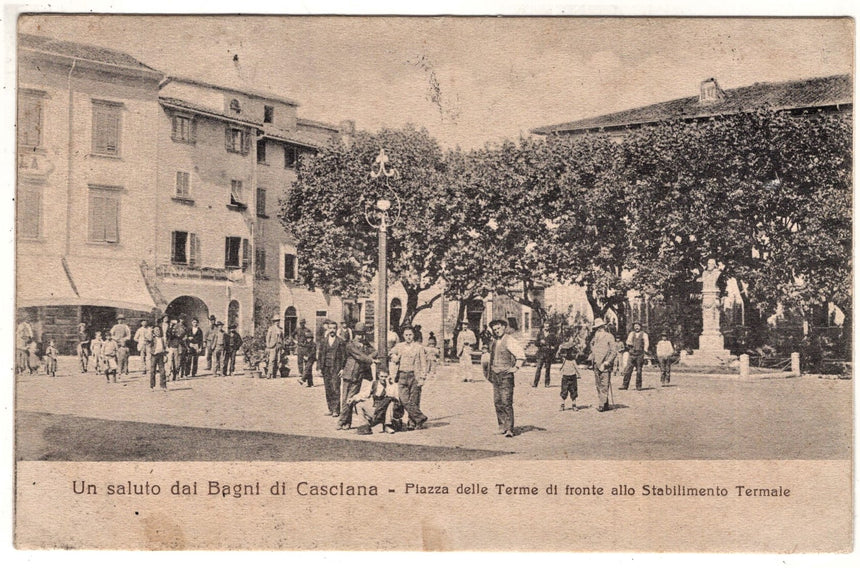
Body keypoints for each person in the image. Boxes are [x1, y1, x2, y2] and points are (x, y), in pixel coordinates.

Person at [486, 319, 525, 437]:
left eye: (498, 328)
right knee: (497, 402)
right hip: (495, 375)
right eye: (494, 330)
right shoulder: (494, 341)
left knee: (506, 402)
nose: (496, 331)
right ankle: (501, 426)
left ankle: (509, 429)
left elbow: (521, 355)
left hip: (506, 376)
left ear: (503, 327)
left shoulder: (510, 340)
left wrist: (516, 367)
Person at [337, 322, 377, 430]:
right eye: (358, 334)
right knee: (345, 398)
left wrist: (370, 356)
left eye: (362, 334)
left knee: (351, 399)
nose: (360, 336)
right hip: (348, 374)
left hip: (358, 375)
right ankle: (343, 421)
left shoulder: (366, 344)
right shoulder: (350, 344)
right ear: (355, 334)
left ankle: (344, 422)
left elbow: (375, 351)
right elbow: (359, 356)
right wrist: (370, 360)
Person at [389, 326, 429, 430]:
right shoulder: (399, 346)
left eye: (410, 335)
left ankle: (412, 423)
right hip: (402, 376)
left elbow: (424, 364)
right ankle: (420, 417)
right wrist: (394, 357)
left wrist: (422, 378)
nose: (408, 337)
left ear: (413, 335)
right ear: (403, 336)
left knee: (414, 400)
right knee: (403, 399)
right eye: (406, 335)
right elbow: (391, 353)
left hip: (414, 376)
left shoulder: (419, 347)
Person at [317, 320, 346, 416]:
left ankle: (336, 410)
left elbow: (343, 356)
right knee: (328, 388)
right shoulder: (323, 341)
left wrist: (342, 369)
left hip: (336, 368)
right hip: (326, 367)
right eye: (330, 328)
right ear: (328, 329)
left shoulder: (340, 341)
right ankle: (330, 408)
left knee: (335, 388)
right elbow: (320, 355)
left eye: (334, 328)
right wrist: (319, 368)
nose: (332, 330)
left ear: (336, 329)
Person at [589, 318, 618, 412]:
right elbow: (592, 346)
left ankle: (601, 404)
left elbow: (614, 351)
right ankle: (605, 403)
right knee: (598, 385)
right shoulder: (595, 337)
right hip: (596, 364)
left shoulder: (609, 336)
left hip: (605, 364)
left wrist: (607, 362)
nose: (598, 330)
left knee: (604, 384)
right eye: (596, 328)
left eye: (599, 327)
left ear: (603, 327)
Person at [621, 322, 650, 391]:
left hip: (640, 354)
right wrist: (629, 344)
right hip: (632, 353)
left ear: (640, 326)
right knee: (628, 370)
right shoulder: (631, 334)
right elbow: (628, 341)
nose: (636, 327)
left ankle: (638, 386)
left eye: (638, 326)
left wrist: (645, 350)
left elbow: (646, 343)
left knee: (639, 370)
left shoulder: (644, 334)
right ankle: (625, 385)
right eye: (635, 326)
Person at [557, 337, 582, 411]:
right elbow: (558, 355)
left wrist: (578, 374)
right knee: (564, 391)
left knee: (573, 391)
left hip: (572, 376)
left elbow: (576, 367)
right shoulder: (564, 359)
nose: (569, 354)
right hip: (565, 376)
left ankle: (574, 404)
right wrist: (559, 348)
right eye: (567, 352)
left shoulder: (573, 360)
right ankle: (562, 404)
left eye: (570, 352)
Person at [533, 323, 558, 388]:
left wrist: (553, 347)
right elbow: (536, 343)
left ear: (549, 327)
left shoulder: (552, 335)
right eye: (545, 326)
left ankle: (547, 383)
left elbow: (556, 344)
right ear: (544, 327)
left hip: (548, 354)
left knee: (547, 369)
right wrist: (540, 342)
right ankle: (535, 383)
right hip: (541, 353)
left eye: (548, 326)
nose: (547, 327)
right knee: (538, 368)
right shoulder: (540, 334)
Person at [294, 318, 316, 386]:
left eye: (303, 323)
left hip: (308, 353)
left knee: (308, 367)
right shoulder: (297, 329)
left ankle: (304, 378)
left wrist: (307, 356)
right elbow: (292, 335)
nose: (302, 324)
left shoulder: (307, 331)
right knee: (301, 362)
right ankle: (308, 381)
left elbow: (312, 351)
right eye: (301, 323)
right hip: (301, 346)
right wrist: (295, 341)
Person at [149, 325, 167, 390]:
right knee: (152, 370)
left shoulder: (162, 339)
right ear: (153, 332)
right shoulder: (152, 339)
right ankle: (152, 386)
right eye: (156, 330)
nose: (157, 331)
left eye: (158, 330)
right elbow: (149, 342)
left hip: (161, 355)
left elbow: (165, 348)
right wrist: (151, 334)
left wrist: (165, 355)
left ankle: (163, 386)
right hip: (154, 355)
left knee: (162, 371)